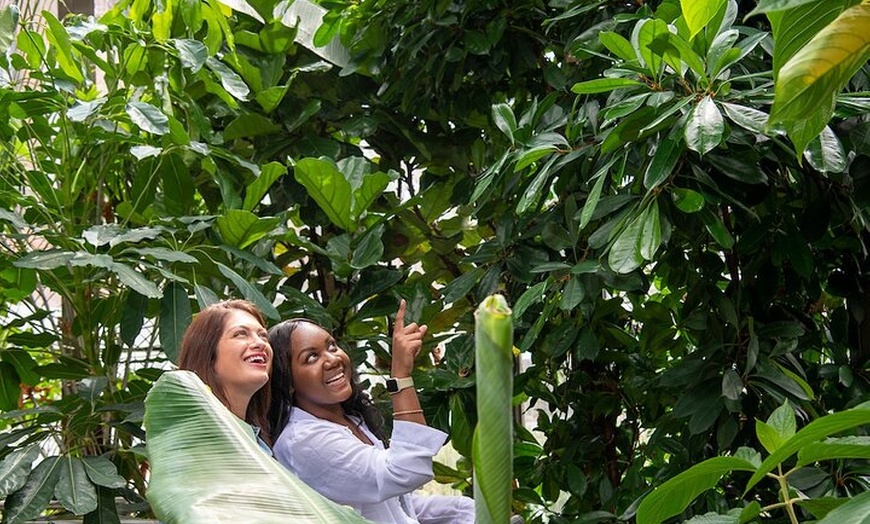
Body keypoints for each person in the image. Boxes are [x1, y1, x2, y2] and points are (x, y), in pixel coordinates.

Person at [268, 299, 476, 523]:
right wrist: (400, 378)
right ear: (288, 382)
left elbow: (393, 505)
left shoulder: (347, 419)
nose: (332, 359)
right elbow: (406, 471)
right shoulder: (303, 441)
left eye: (331, 346)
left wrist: (467, 512)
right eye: (311, 357)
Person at [177, 298, 274, 451]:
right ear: (207, 354)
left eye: (263, 336)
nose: (260, 343)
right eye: (241, 334)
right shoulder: (197, 441)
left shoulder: (255, 438)